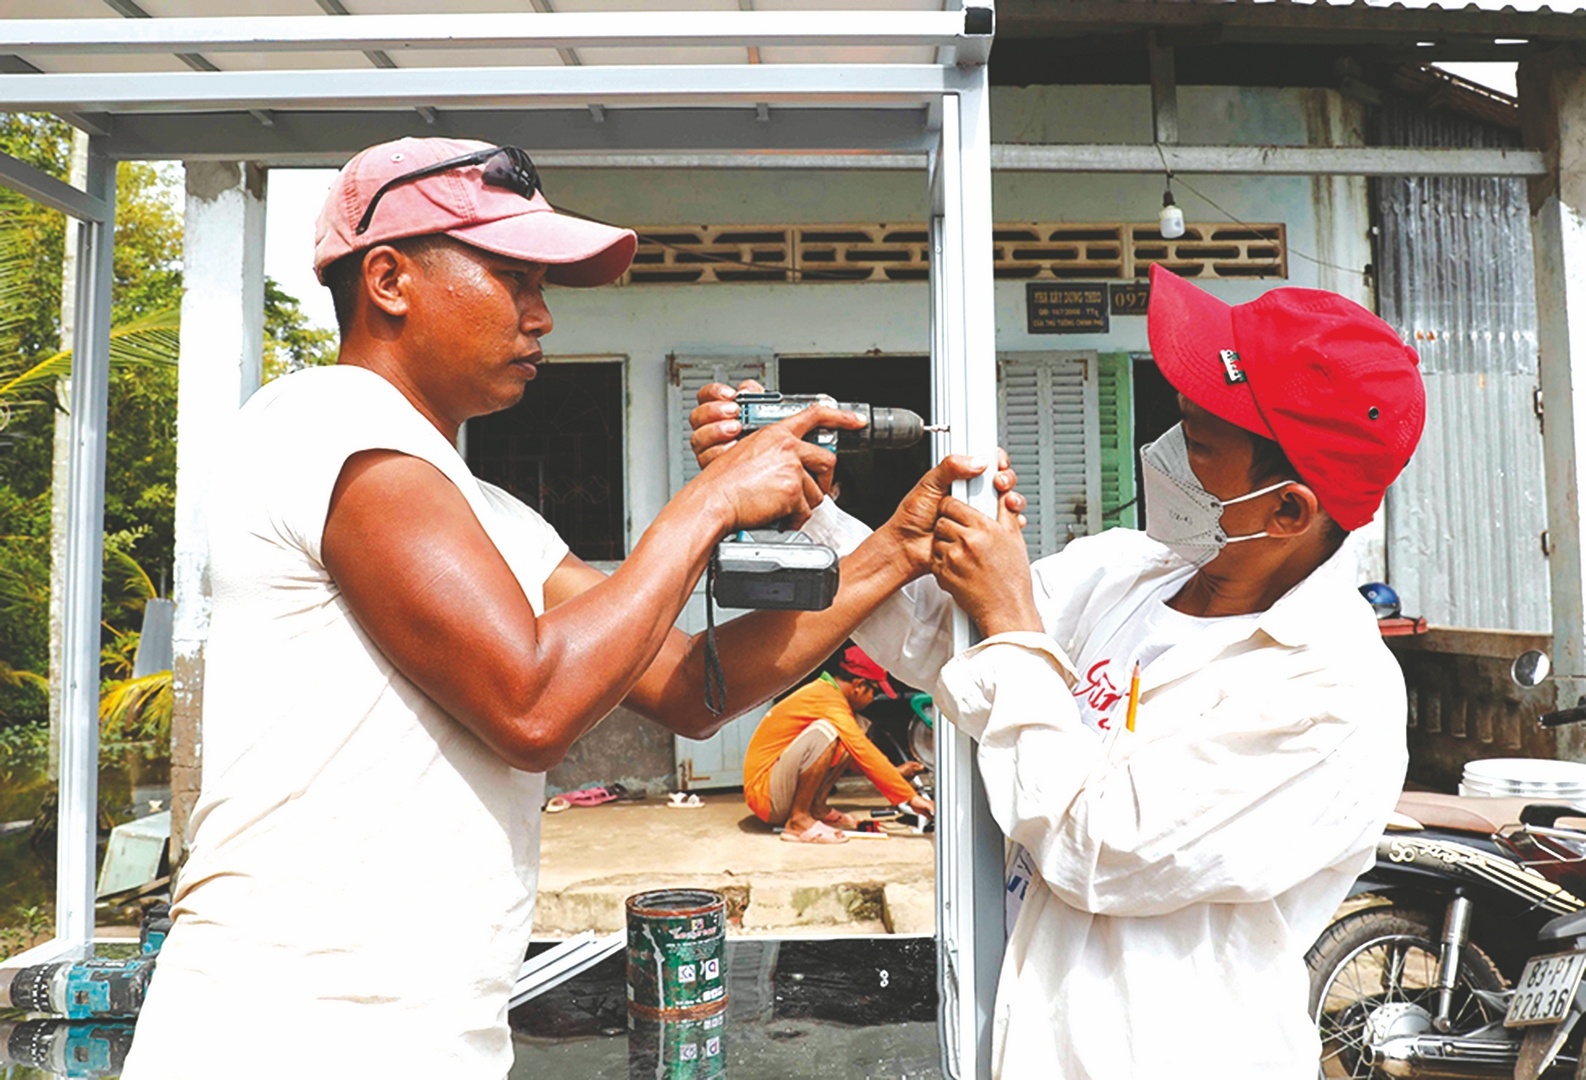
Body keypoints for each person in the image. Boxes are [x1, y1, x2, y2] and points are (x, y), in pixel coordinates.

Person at [120, 136, 1010, 1079]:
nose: (541, 316)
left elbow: (688, 685)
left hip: (423, 1035)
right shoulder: (333, 423)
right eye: (514, 279)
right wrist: (710, 502)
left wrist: (892, 551)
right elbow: (531, 704)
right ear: (387, 279)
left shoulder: (488, 512)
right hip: (291, 1032)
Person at [690, 262, 1425, 1078]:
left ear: (1287, 510)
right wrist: (809, 508)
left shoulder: (1330, 692)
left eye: (1198, 443)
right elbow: (942, 639)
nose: (1166, 454)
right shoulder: (1130, 571)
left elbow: (1097, 846)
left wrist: (1011, 616)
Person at [743, 643, 933, 844]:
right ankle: (799, 820)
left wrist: (894, 773)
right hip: (766, 798)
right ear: (859, 685)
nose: (872, 699)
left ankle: (817, 809)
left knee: (855, 727)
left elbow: (853, 756)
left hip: (777, 790)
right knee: (828, 731)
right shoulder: (825, 698)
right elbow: (862, 750)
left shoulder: (832, 698)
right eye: (875, 692)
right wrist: (910, 797)